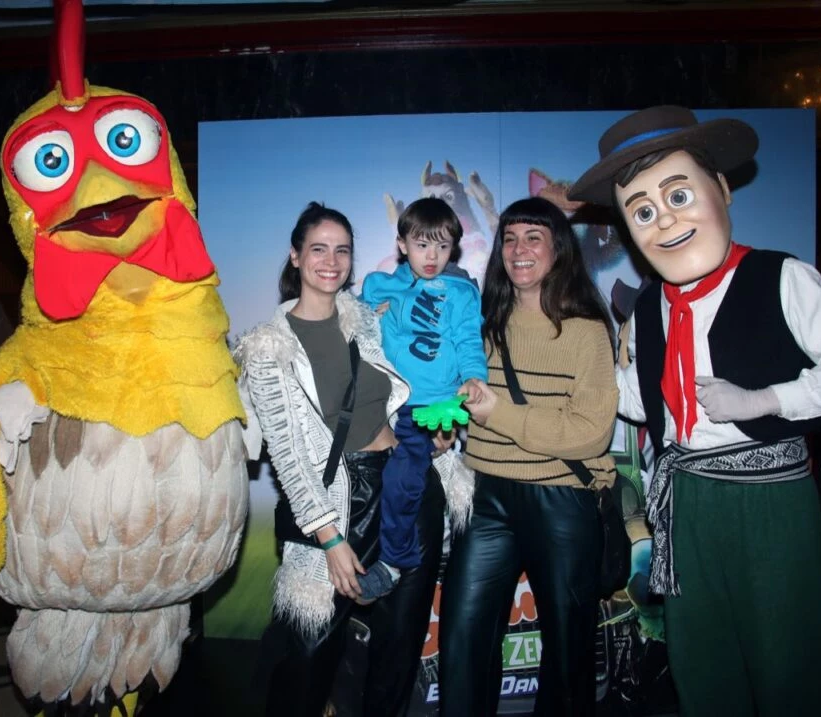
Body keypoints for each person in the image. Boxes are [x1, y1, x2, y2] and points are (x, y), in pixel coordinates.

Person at [568, 105, 821, 717]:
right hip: (687, 500)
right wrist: (575, 378)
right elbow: (642, 402)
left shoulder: (781, 277)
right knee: (701, 656)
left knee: (784, 655)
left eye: (678, 196)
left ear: (722, 190)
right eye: (642, 212)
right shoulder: (647, 308)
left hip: (769, 499)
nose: (665, 220)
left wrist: (766, 400)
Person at [235, 202, 473, 717]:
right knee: (309, 657)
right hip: (336, 505)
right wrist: (329, 539)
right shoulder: (268, 347)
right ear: (295, 255)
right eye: (318, 249)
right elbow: (289, 459)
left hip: (409, 489)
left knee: (397, 653)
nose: (331, 261)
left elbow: (416, 378)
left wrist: (432, 433)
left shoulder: (368, 320)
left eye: (342, 250)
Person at [438, 196, 619, 716]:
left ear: (558, 248)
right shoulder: (479, 323)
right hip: (485, 496)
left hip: (561, 498)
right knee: (463, 637)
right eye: (510, 239)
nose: (519, 250)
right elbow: (457, 395)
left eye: (533, 238)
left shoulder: (586, 330)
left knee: (567, 649)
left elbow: (591, 434)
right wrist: (447, 423)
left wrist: (498, 413)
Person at [357, 197, 488, 602]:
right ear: (402, 245)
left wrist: (475, 378)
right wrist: (369, 316)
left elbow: (468, 341)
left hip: (433, 406)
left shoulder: (461, 292)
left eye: (443, 246)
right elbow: (354, 331)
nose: (432, 256)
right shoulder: (379, 286)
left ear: (454, 248)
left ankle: (393, 562)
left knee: (402, 474)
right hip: (385, 402)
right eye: (422, 245)